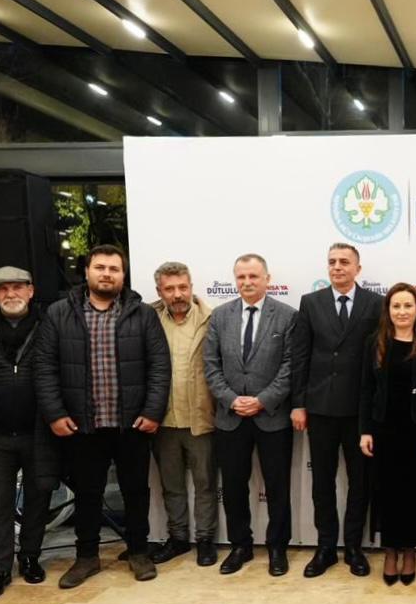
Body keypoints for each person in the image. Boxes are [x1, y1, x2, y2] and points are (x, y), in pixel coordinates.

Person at [32, 245, 169, 589]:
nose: (107, 274)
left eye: (114, 269)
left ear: (123, 275)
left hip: (132, 424)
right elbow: (44, 367)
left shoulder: (143, 314)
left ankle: (138, 551)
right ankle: (86, 557)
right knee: (87, 493)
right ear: (87, 271)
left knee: (135, 491)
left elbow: (159, 367)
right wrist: (55, 414)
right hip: (82, 425)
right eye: (100, 267)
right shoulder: (59, 313)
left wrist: (152, 411)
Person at [291, 243, 383, 578]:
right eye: (332, 262)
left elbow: (380, 358)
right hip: (320, 408)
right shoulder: (310, 302)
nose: (337, 267)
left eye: (345, 262)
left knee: (360, 482)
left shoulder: (375, 303)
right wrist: (299, 403)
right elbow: (300, 356)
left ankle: (354, 547)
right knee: (322, 482)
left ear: (358, 268)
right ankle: (326, 547)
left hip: (360, 411)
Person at [205, 253, 298, 576]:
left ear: (267, 279)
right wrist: (231, 400)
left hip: (272, 416)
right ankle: (240, 545)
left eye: (253, 276)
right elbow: (210, 365)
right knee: (233, 487)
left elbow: (290, 366)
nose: (247, 282)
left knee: (277, 487)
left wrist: (262, 400)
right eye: (241, 277)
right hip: (230, 418)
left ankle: (277, 547)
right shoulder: (220, 316)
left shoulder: (287, 316)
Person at [0, 266, 60, 600]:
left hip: (39, 429)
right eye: (3, 289)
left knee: (39, 496)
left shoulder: (49, 325)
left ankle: (30, 557)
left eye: (18, 287)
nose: (11, 294)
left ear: (31, 291)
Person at [359, 284, 416, 585]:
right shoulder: (375, 342)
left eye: (408, 305)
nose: (402, 311)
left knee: (414, 494)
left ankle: (409, 551)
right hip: (384, 430)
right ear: (388, 311)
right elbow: (366, 389)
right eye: (396, 306)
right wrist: (365, 431)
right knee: (387, 493)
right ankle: (390, 551)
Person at [149, 261, 219, 569]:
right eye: (170, 289)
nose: (177, 294)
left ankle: (205, 540)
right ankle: (178, 539)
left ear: (191, 286)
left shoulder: (211, 318)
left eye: (182, 287)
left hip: (201, 417)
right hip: (162, 419)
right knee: (172, 486)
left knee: (205, 484)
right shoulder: (148, 319)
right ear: (159, 291)